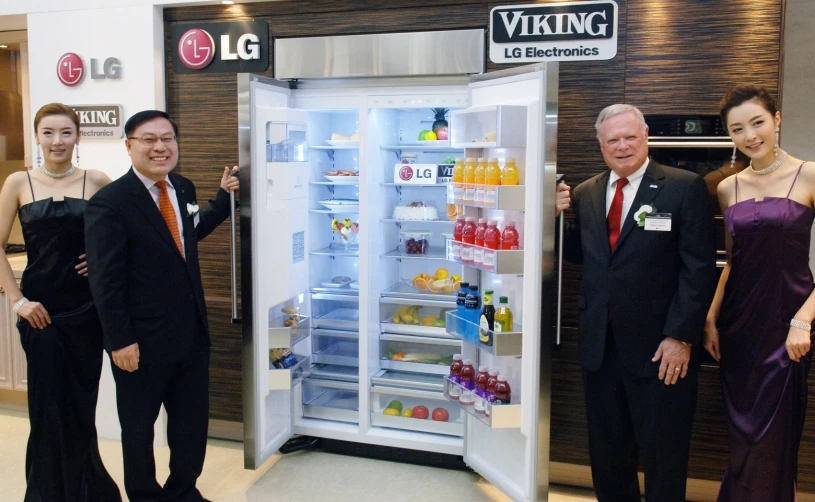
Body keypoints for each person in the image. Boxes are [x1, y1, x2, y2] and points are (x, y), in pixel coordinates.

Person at [555, 104, 716, 502]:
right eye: (613, 140)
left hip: (661, 348)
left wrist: (680, 336)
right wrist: (553, 218)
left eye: (630, 137)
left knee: (664, 451)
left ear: (646, 136)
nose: (622, 146)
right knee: (608, 452)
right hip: (600, 345)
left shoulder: (684, 186)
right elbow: (583, 255)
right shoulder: (586, 192)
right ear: (600, 144)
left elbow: (698, 269)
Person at [84, 110, 239, 502]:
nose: (160, 147)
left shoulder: (182, 188)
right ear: (129, 145)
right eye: (149, 139)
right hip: (140, 343)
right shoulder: (110, 203)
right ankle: (144, 496)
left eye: (167, 138)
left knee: (190, 425)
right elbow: (106, 280)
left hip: (190, 334)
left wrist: (223, 198)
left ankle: (183, 491)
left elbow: (188, 233)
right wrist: (119, 341)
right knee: (139, 429)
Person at [0, 103, 121, 501]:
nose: (57, 141)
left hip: (87, 313)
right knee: (48, 408)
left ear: (77, 136)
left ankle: (88, 491)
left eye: (66, 132)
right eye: (48, 132)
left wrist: (101, 256)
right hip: (39, 314)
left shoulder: (97, 180)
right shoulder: (18, 182)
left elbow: (127, 230)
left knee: (81, 407)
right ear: (37, 136)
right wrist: (17, 301)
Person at [704, 84, 815, 501]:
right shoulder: (728, 188)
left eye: (757, 123)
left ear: (777, 120)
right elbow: (732, 261)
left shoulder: (809, 173)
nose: (750, 136)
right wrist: (712, 318)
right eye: (737, 129)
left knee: (774, 437)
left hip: (789, 325)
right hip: (738, 327)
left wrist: (803, 321)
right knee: (743, 438)